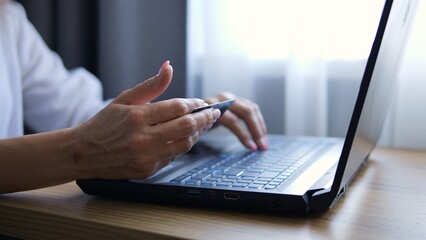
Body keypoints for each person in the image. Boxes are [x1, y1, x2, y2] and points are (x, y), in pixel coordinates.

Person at [0, 1, 268, 194]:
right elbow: (85, 140)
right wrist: (79, 152)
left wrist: (190, 118)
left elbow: (84, 118)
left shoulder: (8, 20)